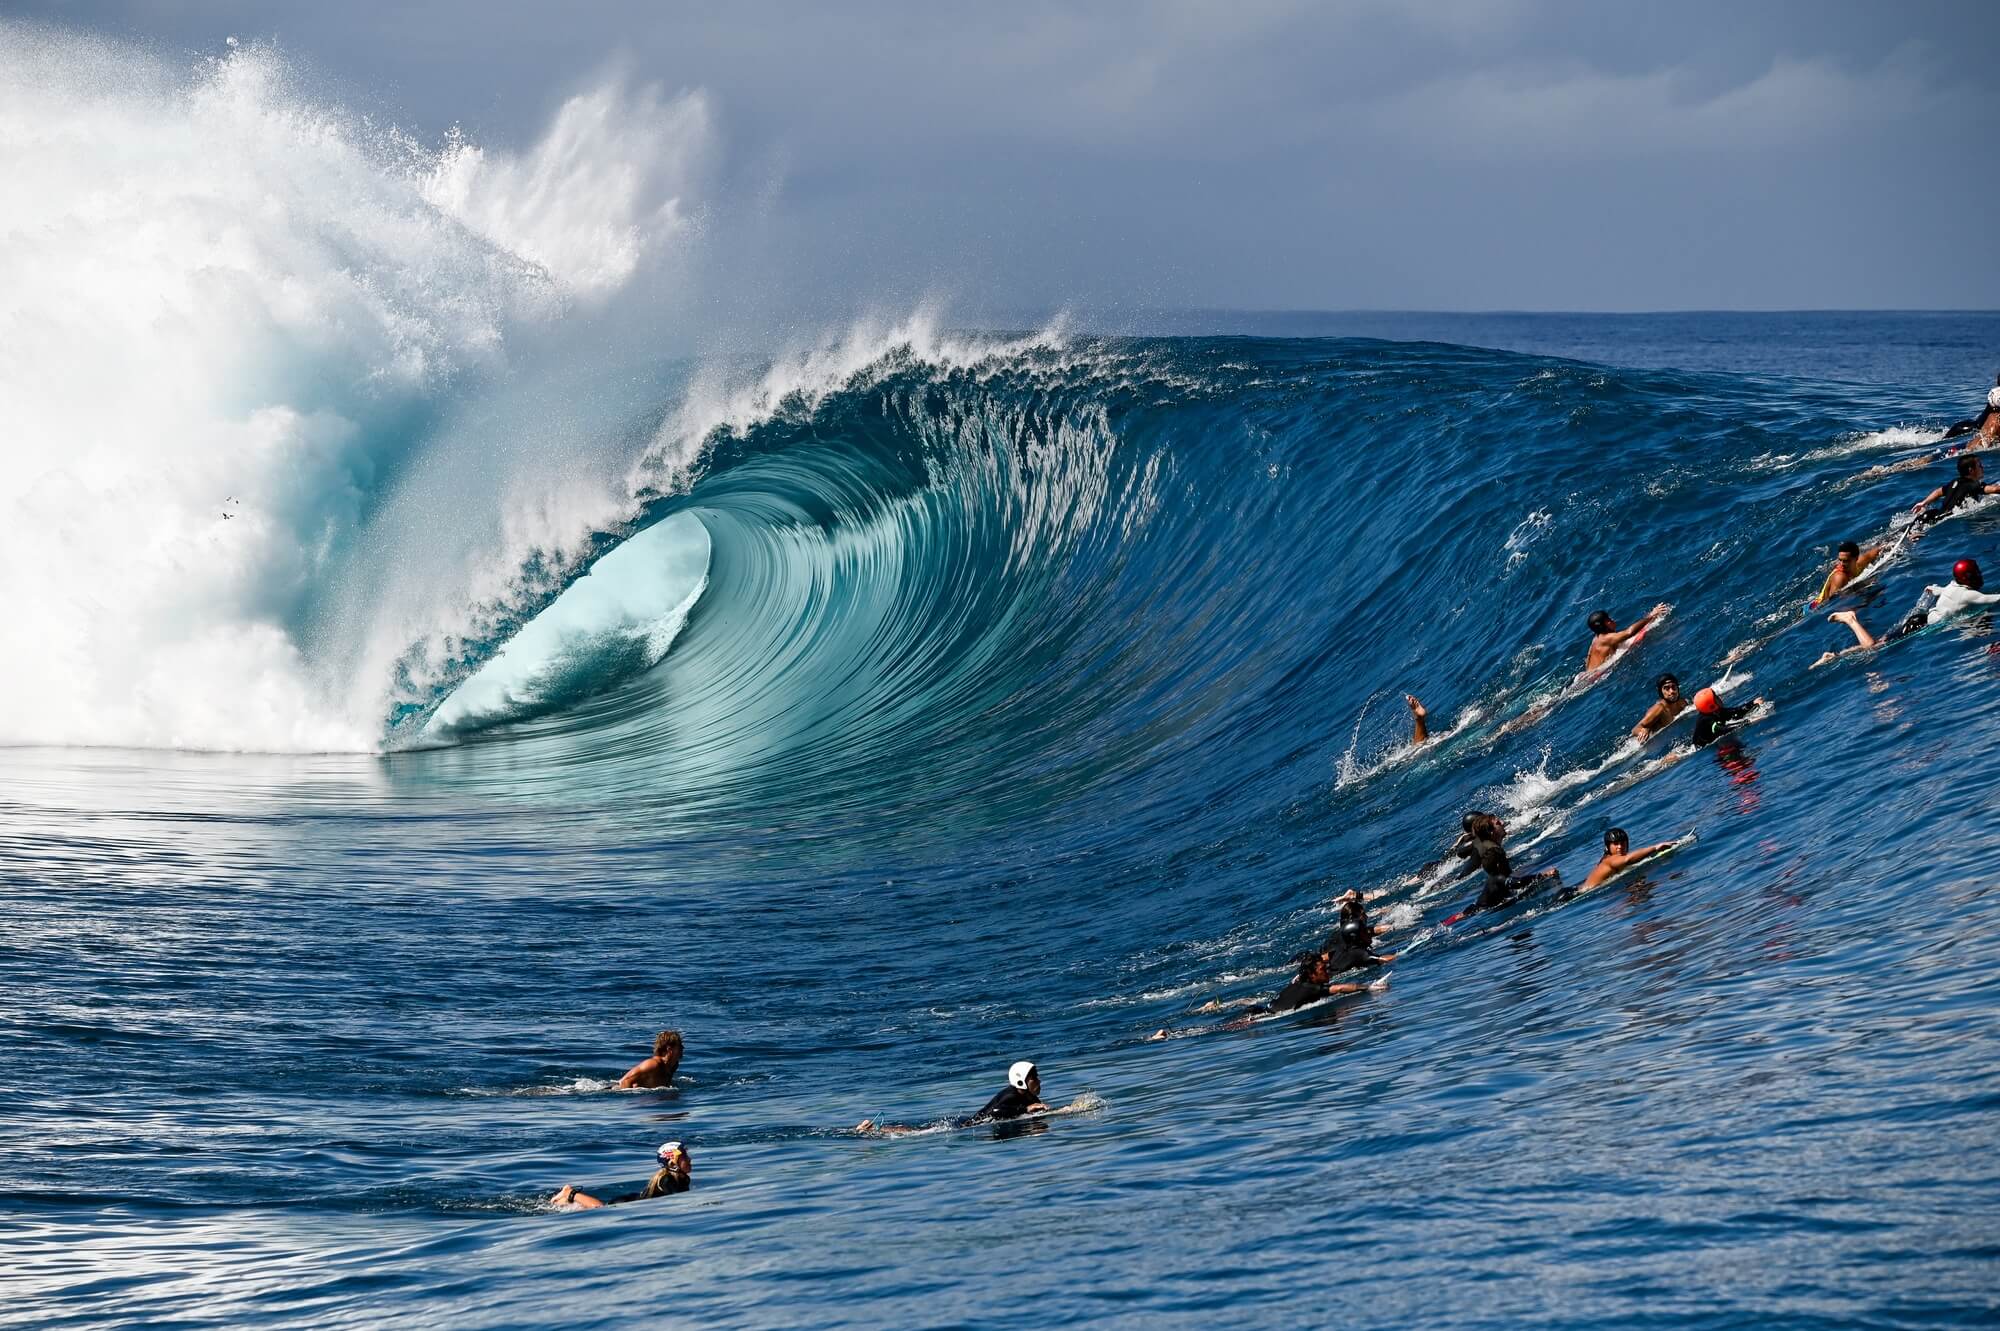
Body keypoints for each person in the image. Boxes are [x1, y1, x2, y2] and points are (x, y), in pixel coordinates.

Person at [1814, 559, 2000, 665]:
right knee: (1872, 647)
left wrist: (1933, 590)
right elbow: (1994, 599)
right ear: (1968, 576)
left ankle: (1836, 656)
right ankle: (1851, 620)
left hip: (1919, 620)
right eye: (1977, 573)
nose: (1980, 576)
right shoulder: (1969, 596)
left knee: (1879, 643)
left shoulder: (1953, 587)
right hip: (1920, 625)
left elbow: (1942, 591)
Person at [855, 1061, 1050, 1134]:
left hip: (967, 1120)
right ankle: (873, 1129)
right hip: (966, 1126)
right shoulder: (1012, 1095)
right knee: (919, 1132)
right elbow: (997, 1112)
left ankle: (874, 1129)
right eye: (1034, 1077)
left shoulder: (1023, 1096)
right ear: (1021, 1081)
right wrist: (1026, 1110)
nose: (1039, 1080)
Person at [1453, 812, 1559, 913]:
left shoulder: (1490, 849)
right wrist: (1543, 875)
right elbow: (1515, 882)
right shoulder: (1496, 875)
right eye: (1498, 823)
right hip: (1476, 913)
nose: (1503, 823)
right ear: (1491, 832)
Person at [550, 1141, 692, 1210]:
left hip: (634, 1198)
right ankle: (571, 1193)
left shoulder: (680, 1178)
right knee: (599, 1209)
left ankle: (563, 1200)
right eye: (684, 1156)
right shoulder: (666, 1179)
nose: (690, 1159)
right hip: (626, 1203)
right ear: (672, 1161)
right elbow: (678, 1201)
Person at [1913, 455, 2000, 525]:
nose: (1982, 467)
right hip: (1943, 520)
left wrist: (1923, 503)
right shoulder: (1973, 485)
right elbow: (1995, 489)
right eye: (1980, 466)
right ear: (1971, 470)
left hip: (1929, 516)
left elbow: (1938, 492)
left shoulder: (1955, 482)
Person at [1581, 828, 1678, 889]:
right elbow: (1627, 860)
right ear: (1607, 847)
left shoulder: (1606, 858)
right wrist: (1655, 848)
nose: (1620, 846)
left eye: (1622, 843)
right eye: (1615, 844)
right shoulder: (1611, 859)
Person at [1585, 604, 1669, 671]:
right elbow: (1629, 632)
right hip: (1595, 676)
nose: (1612, 619)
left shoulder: (1596, 638)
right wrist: (1651, 615)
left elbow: (1588, 656)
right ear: (1605, 624)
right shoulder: (1607, 638)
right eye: (1608, 619)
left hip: (1587, 673)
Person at [1813, 541, 1884, 606]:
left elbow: (1877, 550)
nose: (1841, 564)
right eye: (1840, 560)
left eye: (1845, 561)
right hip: (1815, 609)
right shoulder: (1840, 577)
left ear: (1856, 559)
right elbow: (1833, 604)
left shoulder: (1861, 563)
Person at [1690, 687, 1762, 747]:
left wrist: (1752, 703)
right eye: (1716, 698)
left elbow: (1736, 712)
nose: (1719, 698)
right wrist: (1747, 722)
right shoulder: (1706, 720)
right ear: (1711, 705)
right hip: (1702, 747)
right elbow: (1723, 729)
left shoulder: (1715, 711)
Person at [1630, 673, 1689, 740]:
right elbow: (1634, 729)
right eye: (1667, 688)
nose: (1672, 691)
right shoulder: (1659, 709)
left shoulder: (1682, 702)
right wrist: (1643, 731)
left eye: (1673, 687)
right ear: (1661, 692)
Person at [618, 1030, 683, 1089]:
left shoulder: (673, 1065)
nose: (683, 1048)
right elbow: (624, 1081)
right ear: (669, 1049)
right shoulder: (653, 1064)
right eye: (679, 1046)